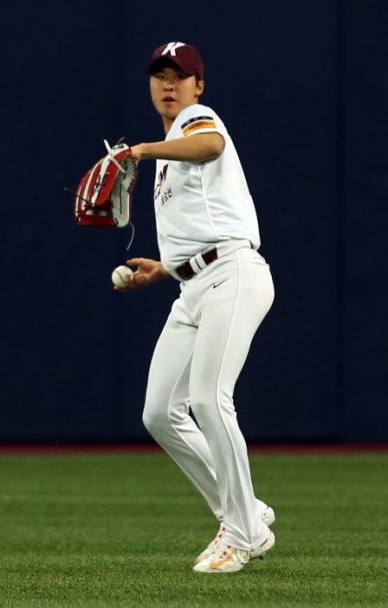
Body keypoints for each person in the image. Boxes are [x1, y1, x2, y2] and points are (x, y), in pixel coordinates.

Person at [120, 41, 276, 574]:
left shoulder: (196, 119)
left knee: (210, 399)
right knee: (160, 412)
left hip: (233, 274)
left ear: (198, 85)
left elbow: (210, 146)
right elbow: (201, 221)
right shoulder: (170, 147)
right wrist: (164, 268)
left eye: (179, 76)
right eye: (160, 75)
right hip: (192, 285)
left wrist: (139, 150)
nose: (170, 85)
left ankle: (242, 532)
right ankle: (246, 510)